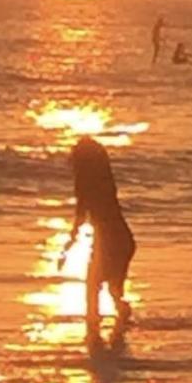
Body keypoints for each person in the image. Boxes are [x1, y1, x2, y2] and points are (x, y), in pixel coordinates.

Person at [58, 136, 135, 347]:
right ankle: (117, 333)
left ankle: (95, 338)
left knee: (93, 286)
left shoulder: (87, 183)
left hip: (110, 242)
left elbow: (80, 217)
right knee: (112, 290)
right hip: (123, 239)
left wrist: (67, 249)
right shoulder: (106, 180)